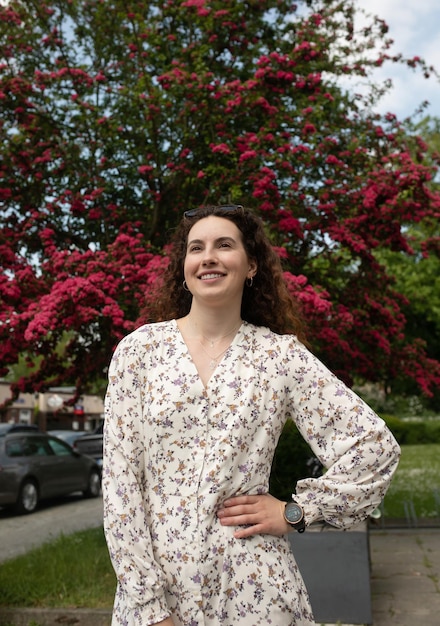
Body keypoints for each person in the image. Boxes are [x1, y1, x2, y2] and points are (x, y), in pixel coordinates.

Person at [102, 204, 400, 626]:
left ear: (252, 265)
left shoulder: (280, 357)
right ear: (184, 267)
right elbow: (120, 487)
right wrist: (149, 609)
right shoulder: (139, 353)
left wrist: (295, 512)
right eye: (195, 248)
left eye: (224, 245)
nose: (208, 257)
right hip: (157, 591)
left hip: (255, 589)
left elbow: (374, 447)